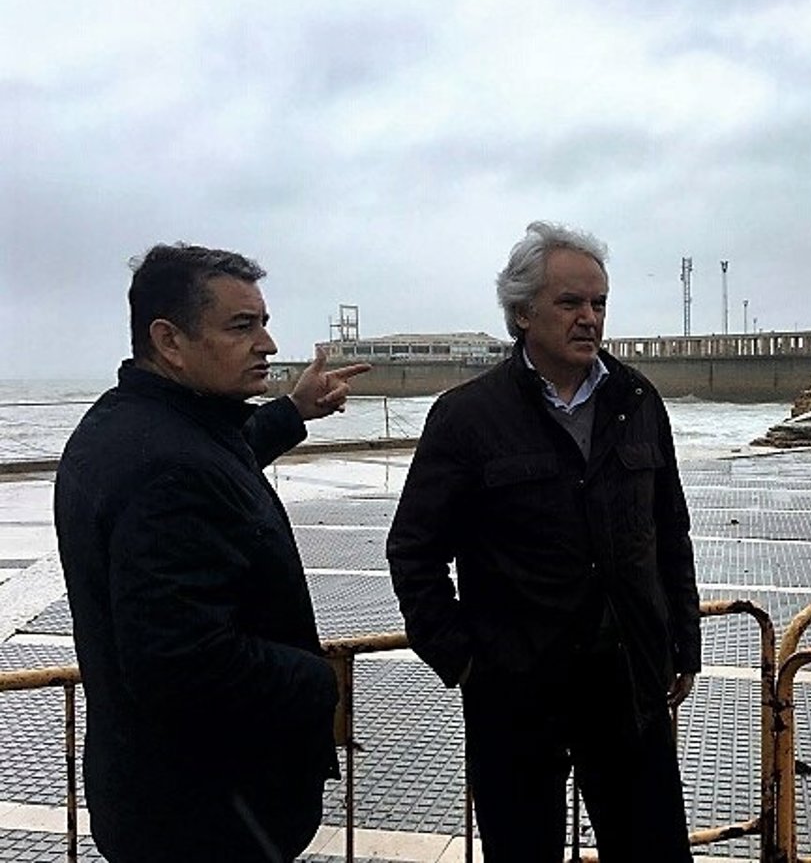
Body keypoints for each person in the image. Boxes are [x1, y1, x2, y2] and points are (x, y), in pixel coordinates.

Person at [387, 221, 700, 862]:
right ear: (523, 312)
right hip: (517, 693)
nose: (590, 318)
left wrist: (682, 643)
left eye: (599, 303)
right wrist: (463, 660)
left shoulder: (637, 399)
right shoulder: (468, 415)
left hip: (627, 683)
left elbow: (670, 531)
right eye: (570, 303)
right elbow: (414, 551)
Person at [55, 243, 369, 862]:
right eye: (241, 326)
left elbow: (226, 453)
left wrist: (294, 411)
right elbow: (180, 660)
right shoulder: (170, 470)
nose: (268, 344)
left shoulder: (131, 425)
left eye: (264, 322)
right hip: (210, 816)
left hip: (155, 795)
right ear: (170, 340)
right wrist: (315, 679)